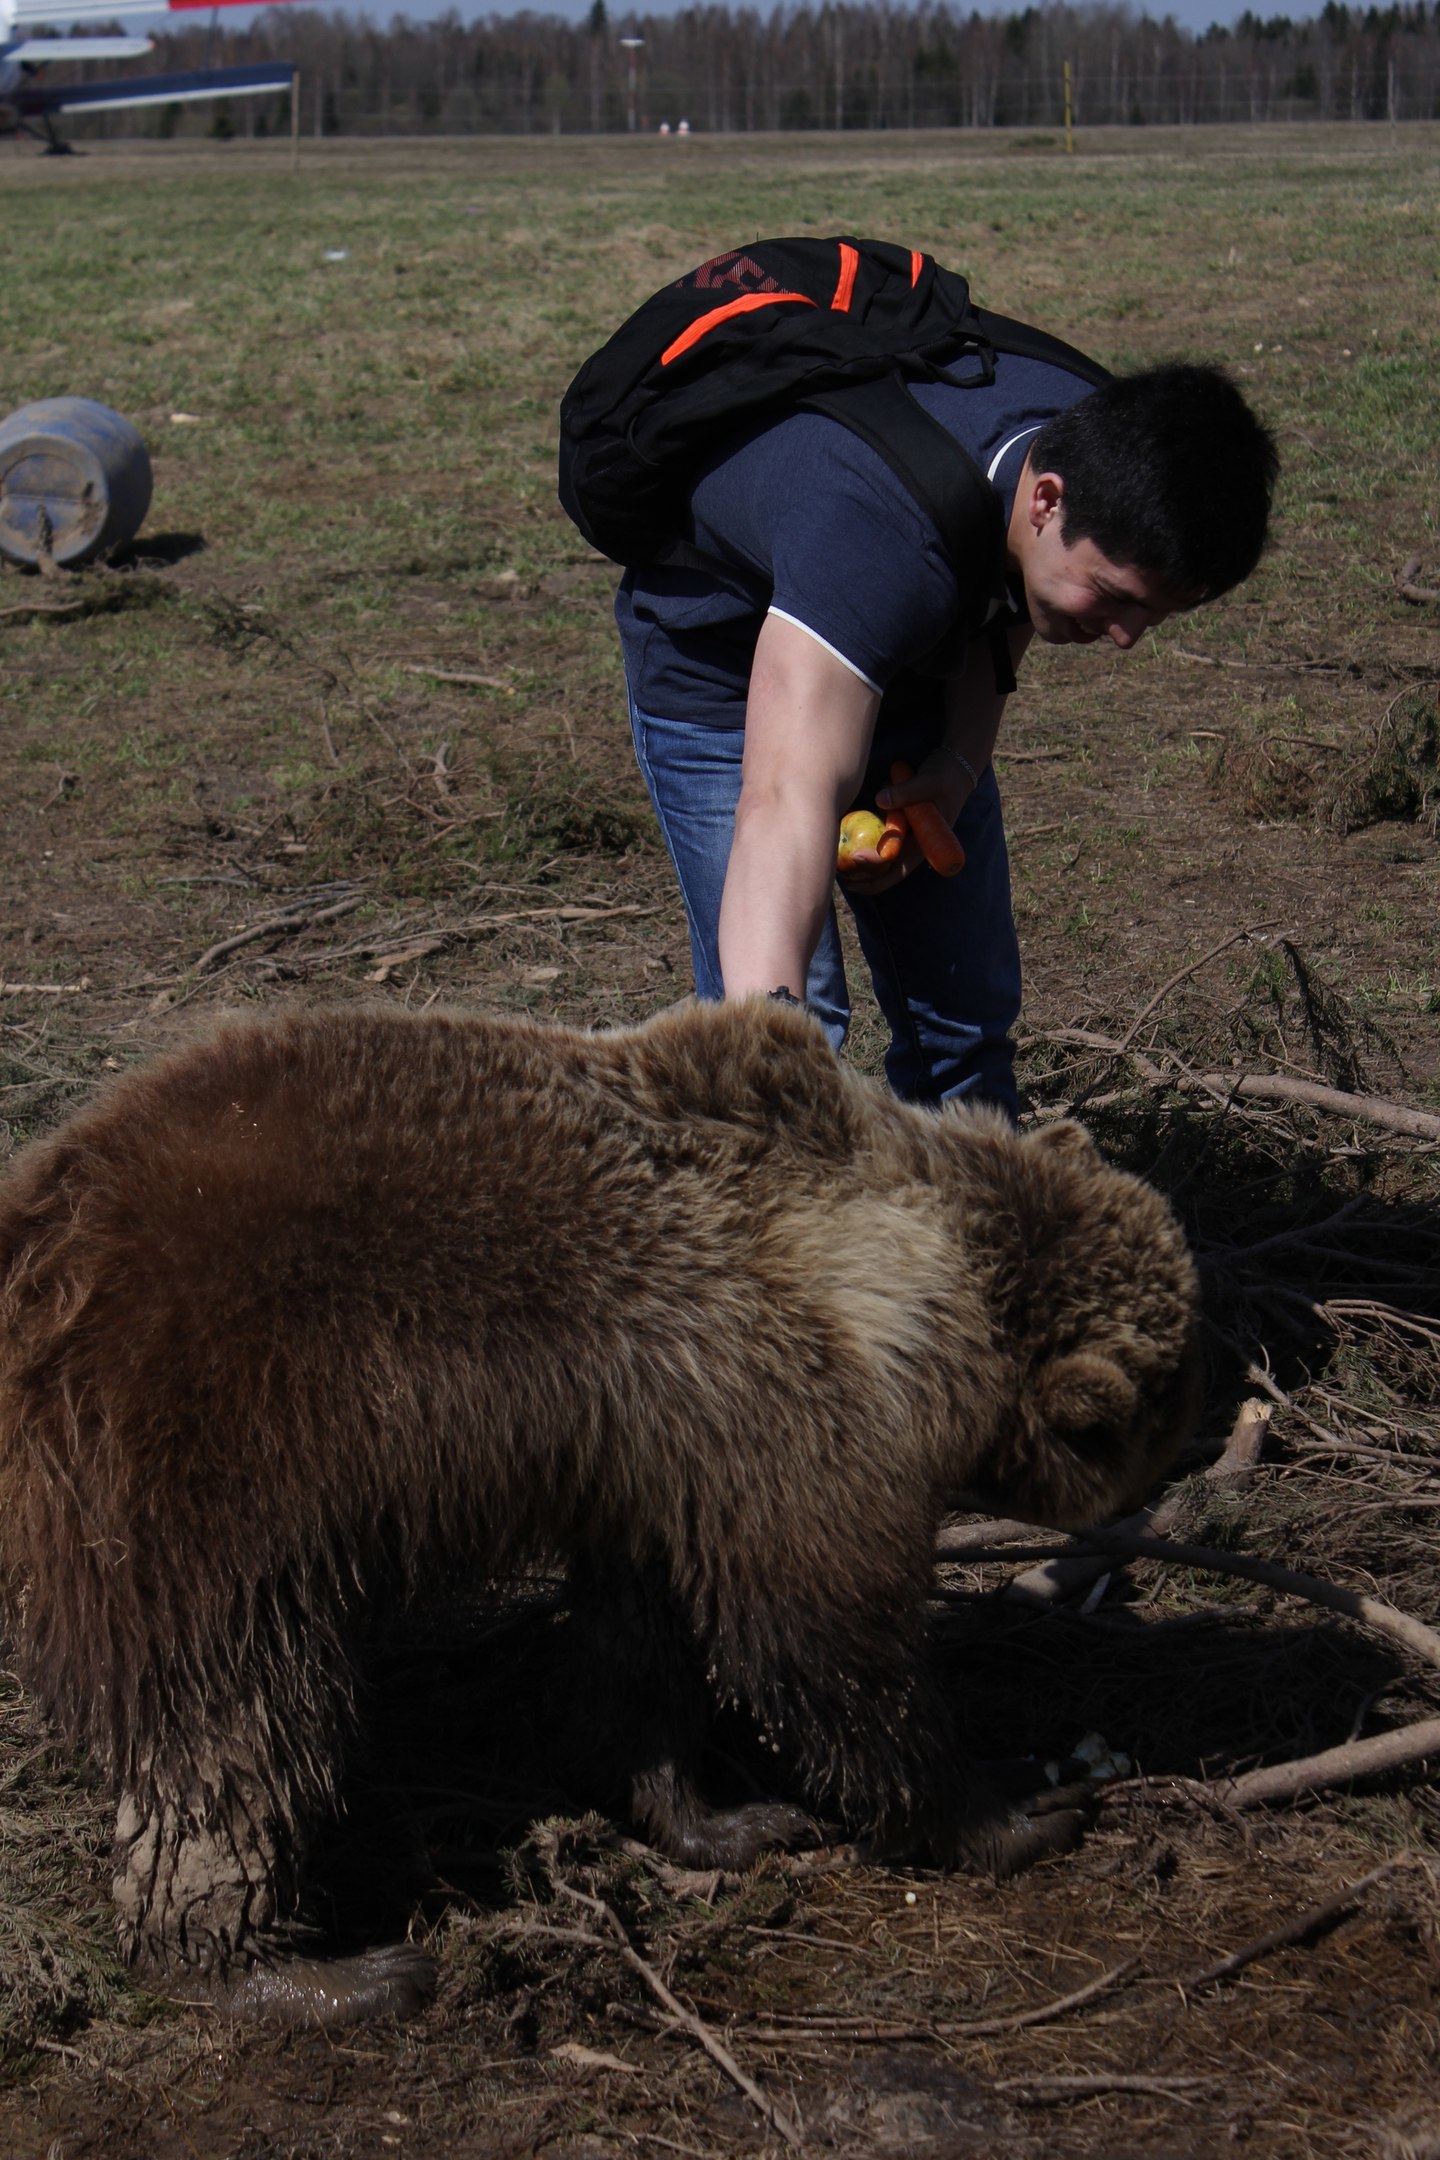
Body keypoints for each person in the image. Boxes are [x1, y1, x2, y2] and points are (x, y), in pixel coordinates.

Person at [614, 348, 1278, 1118]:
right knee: (793, 1033)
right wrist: (766, 1062)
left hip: (897, 640)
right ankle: (765, 1213)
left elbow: (1008, 595)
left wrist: (955, 765)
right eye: (1114, 597)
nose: (1127, 637)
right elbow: (780, 797)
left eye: (1154, 614)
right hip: (720, 669)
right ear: (1047, 501)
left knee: (962, 1030)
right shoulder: (879, 538)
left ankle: (971, 1228)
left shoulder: (1095, 448)